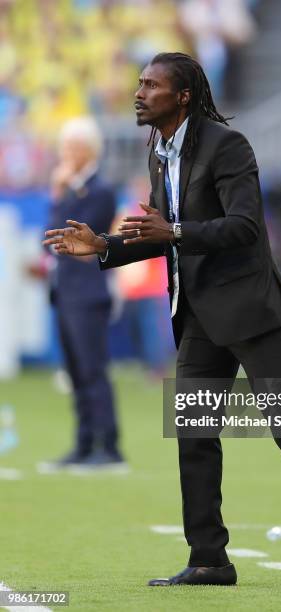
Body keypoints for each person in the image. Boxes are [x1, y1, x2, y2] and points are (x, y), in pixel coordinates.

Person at [44, 53, 281, 586]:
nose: (139, 93)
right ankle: (209, 558)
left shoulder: (229, 146)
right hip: (200, 314)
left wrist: (176, 233)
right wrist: (104, 246)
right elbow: (161, 235)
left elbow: (245, 227)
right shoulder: (157, 149)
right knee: (194, 432)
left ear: (183, 96)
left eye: (151, 85)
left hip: (249, 310)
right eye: (139, 83)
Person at [42, 116, 126, 470]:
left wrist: (61, 195)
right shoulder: (72, 189)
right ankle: (83, 444)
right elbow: (47, 239)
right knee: (76, 373)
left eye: (71, 147)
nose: (65, 155)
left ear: (86, 150)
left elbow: (73, 240)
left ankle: (108, 448)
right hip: (66, 293)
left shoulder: (100, 190)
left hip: (88, 294)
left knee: (92, 371)